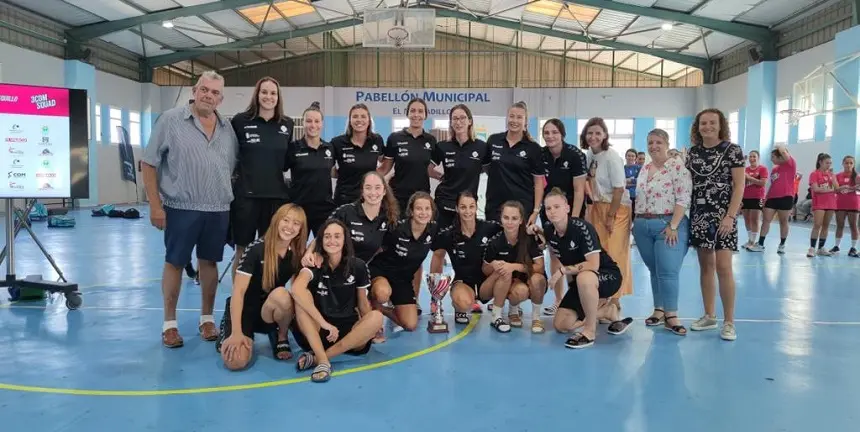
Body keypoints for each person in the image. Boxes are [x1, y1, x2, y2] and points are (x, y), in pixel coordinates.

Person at [141, 71, 238, 348]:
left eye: (214, 92)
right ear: (194, 91)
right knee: (175, 262)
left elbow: (231, 167)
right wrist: (155, 205)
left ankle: (207, 319)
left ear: (221, 99)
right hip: (180, 208)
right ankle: (169, 324)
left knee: (209, 262)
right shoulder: (171, 120)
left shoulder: (226, 128)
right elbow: (149, 163)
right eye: (204, 89)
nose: (208, 95)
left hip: (217, 209)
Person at [289, 219, 384, 383]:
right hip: (317, 331)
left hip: (348, 334)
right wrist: (324, 324)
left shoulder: (358, 266)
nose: (332, 241)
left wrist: (370, 329)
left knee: (376, 317)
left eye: (337, 236)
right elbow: (296, 289)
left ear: (344, 240)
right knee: (300, 301)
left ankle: (320, 359)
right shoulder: (314, 264)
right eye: (327, 237)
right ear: (321, 240)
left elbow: (362, 303)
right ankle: (323, 359)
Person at [216, 204, 308, 370]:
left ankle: (280, 335)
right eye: (285, 220)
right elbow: (238, 292)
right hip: (245, 309)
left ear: (301, 229)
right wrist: (237, 332)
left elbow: (299, 291)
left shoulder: (297, 254)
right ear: (276, 221)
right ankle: (230, 325)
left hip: (269, 309)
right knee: (236, 362)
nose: (289, 227)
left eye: (296, 223)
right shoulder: (256, 249)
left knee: (282, 294)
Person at [539, 188, 633, 349]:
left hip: (606, 275)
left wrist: (562, 271)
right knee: (562, 324)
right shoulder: (549, 230)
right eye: (548, 208)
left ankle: (589, 331)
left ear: (567, 208)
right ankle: (606, 312)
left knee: (584, 277)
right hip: (581, 282)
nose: (552, 211)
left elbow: (593, 265)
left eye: (557, 206)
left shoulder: (582, 228)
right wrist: (534, 231)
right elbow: (542, 241)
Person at [685, 108, 745, 341]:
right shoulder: (692, 153)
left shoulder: (733, 150)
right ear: (697, 127)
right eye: (703, 123)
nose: (707, 126)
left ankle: (729, 321)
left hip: (723, 217)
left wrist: (730, 216)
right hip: (700, 215)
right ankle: (709, 315)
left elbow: (739, 186)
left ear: (721, 125)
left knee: (724, 267)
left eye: (712, 122)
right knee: (706, 267)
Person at [229, 76, 294, 276]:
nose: (268, 96)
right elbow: (231, 157)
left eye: (273, 93)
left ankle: (263, 300)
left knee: (270, 251)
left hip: (275, 199)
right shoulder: (240, 121)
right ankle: (240, 301)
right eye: (264, 92)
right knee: (243, 251)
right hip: (246, 198)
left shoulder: (287, 124)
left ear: (278, 97)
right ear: (257, 95)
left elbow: (286, 163)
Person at [631, 129, 692, 335]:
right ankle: (659, 309)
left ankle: (671, 314)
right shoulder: (644, 168)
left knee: (667, 270)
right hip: (642, 225)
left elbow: (683, 198)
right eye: (650, 143)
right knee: (654, 269)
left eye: (658, 142)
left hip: (668, 224)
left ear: (666, 144)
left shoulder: (677, 167)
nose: (653, 146)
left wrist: (674, 225)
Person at [580, 117, 633, 319]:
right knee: (599, 252)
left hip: (616, 208)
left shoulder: (611, 157)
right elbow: (588, 180)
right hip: (597, 207)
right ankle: (603, 296)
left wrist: (611, 215)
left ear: (604, 136)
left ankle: (615, 301)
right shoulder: (589, 155)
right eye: (590, 133)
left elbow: (619, 189)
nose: (593, 137)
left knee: (616, 253)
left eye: (598, 133)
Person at [367, 192, 437, 340]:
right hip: (381, 272)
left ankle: (379, 307)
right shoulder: (396, 229)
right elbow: (374, 247)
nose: (423, 213)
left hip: (402, 280)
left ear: (432, 212)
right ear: (411, 211)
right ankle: (373, 306)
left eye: (427, 209)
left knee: (410, 324)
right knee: (382, 293)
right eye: (419, 208)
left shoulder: (433, 231)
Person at [429, 191, 502, 324]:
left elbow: (513, 233)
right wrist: (435, 295)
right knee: (463, 303)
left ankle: (509, 309)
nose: (467, 211)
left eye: (471, 206)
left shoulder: (490, 228)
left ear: (476, 207)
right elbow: (437, 255)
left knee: (504, 273)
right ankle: (459, 307)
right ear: (457, 208)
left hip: (487, 284)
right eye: (463, 207)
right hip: (463, 283)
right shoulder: (449, 234)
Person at [540, 118, 587, 316]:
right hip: (549, 210)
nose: (550, 136)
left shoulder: (575, 155)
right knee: (555, 253)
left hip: (570, 209)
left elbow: (579, 190)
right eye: (547, 132)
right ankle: (559, 300)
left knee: (574, 255)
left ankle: (578, 299)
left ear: (562, 134)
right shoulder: (541, 154)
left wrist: (573, 219)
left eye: (554, 132)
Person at [303, 171, 399, 265]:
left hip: (361, 271)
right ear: (362, 191)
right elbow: (322, 234)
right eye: (368, 188)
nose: (373, 192)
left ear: (384, 191)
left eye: (377, 188)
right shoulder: (345, 212)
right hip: (334, 266)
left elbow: (386, 247)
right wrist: (309, 252)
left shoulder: (388, 218)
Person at [481, 200, 547, 333]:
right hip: (508, 283)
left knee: (537, 280)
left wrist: (514, 266)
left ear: (521, 220)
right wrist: (494, 265)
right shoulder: (495, 241)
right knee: (512, 281)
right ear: (501, 218)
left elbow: (540, 267)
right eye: (506, 218)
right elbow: (485, 269)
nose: (510, 222)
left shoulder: (529, 238)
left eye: (514, 218)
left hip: (526, 280)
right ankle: (502, 314)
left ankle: (536, 317)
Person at [428, 104, 489, 229]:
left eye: (462, 118)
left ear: (470, 121)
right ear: (451, 122)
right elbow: (427, 169)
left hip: (467, 206)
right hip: (445, 202)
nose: (458, 122)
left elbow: (490, 172)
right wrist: (440, 177)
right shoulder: (443, 146)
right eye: (455, 119)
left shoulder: (481, 147)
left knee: (466, 243)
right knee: (441, 245)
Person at [483, 101, 544, 223]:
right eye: (511, 116)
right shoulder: (493, 140)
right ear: (507, 118)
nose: (514, 120)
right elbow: (487, 168)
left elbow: (539, 183)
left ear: (525, 122)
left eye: (519, 117)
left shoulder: (534, 148)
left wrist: (536, 211)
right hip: (495, 207)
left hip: (522, 209)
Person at [283, 102, 336, 237]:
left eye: (317, 121)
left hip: (324, 210)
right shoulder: (293, 148)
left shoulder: (329, 148)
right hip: (300, 209)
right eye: (309, 121)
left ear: (322, 124)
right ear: (303, 123)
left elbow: (333, 171)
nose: (313, 125)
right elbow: (279, 170)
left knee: (323, 250)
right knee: (297, 251)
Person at [379, 97, 437, 212]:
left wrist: (444, 177)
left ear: (425, 115)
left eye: (420, 111)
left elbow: (429, 169)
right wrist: (366, 178)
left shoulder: (431, 140)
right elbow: (385, 168)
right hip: (398, 197)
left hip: (422, 198)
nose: (416, 115)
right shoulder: (394, 138)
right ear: (407, 113)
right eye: (413, 111)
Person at [331, 103, 385, 206]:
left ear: (369, 120)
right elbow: (329, 168)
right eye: (355, 116)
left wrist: (377, 176)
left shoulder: (377, 140)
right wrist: (343, 173)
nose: (359, 120)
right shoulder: (337, 142)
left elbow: (384, 160)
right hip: (344, 199)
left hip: (369, 198)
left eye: (363, 116)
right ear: (350, 121)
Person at [750, 146, 796, 254]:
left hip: (786, 197)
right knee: (766, 220)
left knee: (783, 221)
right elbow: (773, 185)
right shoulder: (775, 169)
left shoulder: (790, 164)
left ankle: (782, 244)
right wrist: (766, 198)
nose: (771, 159)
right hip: (772, 198)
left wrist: (779, 146)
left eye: (773, 157)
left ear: (781, 157)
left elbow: (784, 152)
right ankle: (760, 244)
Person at [807, 152, 839, 257]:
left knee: (826, 226)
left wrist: (841, 188)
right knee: (817, 225)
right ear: (820, 162)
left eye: (830, 163)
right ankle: (812, 248)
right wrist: (830, 189)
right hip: (819, 203)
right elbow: (816, 189)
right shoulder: (814, 174)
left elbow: (837, 188)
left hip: (831, 203)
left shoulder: (832, 175)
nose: (829, 165)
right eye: (827, 163)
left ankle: (820, 248)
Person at [830, 155, 859, 257]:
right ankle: (836, 246)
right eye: (846, 163)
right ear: (842, 164)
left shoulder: (857, 176)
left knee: (853, 226)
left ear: (853, 164)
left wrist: (852, 188)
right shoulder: (837, 176)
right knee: (840, 225)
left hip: (853, 203)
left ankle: (853, 248)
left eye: (851, 163)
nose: (849, 165)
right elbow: (835, 189)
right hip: (840, 203)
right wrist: (843, 187)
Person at [741, 150, 768, 250]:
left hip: (758, 197)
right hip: (745, 197)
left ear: (758, 157)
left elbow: (762, 183)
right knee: (746, 219)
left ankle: (753, 241)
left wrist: (749, 178)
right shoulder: (745, 169)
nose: (752, 158)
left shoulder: (762, 169)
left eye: (754, 156)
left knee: (755, 219)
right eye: (750, 157)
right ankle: (749, 239)